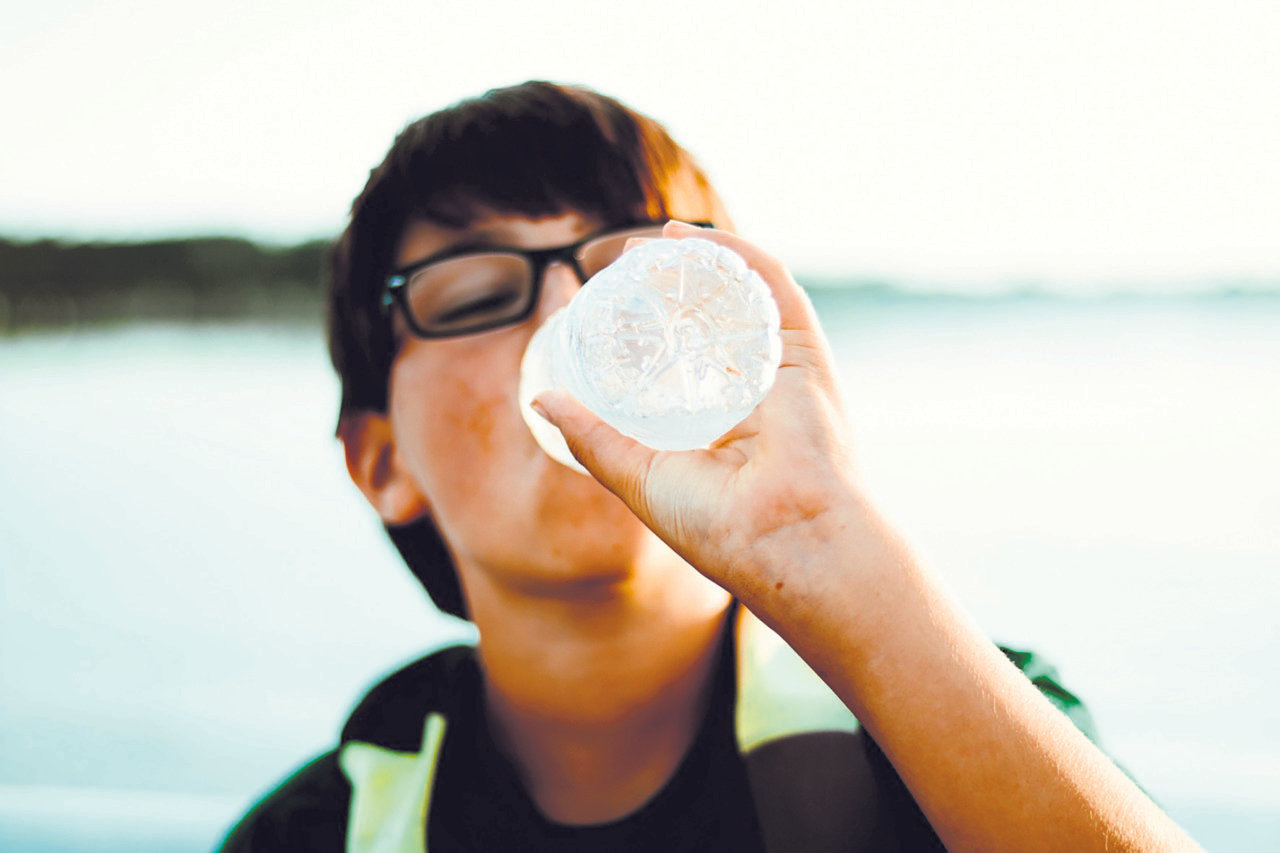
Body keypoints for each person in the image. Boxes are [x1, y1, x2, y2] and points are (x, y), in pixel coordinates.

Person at [221, 81, 1199, 851]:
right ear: (380, 459)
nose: (576, 318)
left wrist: (827, 548)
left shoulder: (964, 730)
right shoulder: (312, 832)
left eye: (643, 278)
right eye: (477, 291)